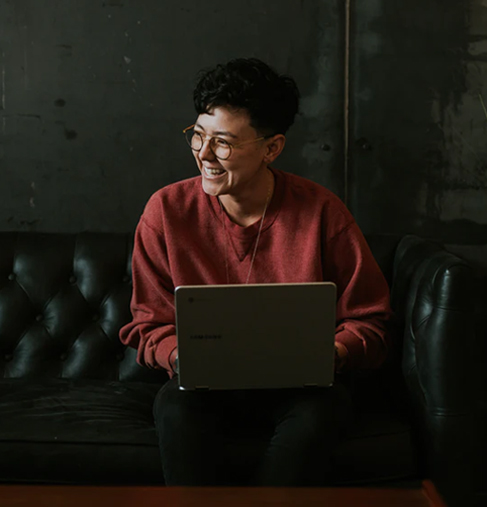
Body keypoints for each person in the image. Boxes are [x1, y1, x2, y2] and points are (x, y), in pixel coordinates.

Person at [119, 57, 393, 486]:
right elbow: (148, 324)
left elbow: (370, 320)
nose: (204, 154)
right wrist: (181, 356)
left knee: (323, 412)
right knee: (175, 408)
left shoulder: (322, 212)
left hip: (301, 391)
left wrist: (333, 353)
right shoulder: (166, 211)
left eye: (223, 142)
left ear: (272, 148)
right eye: (198, 135)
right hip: (201, 391)